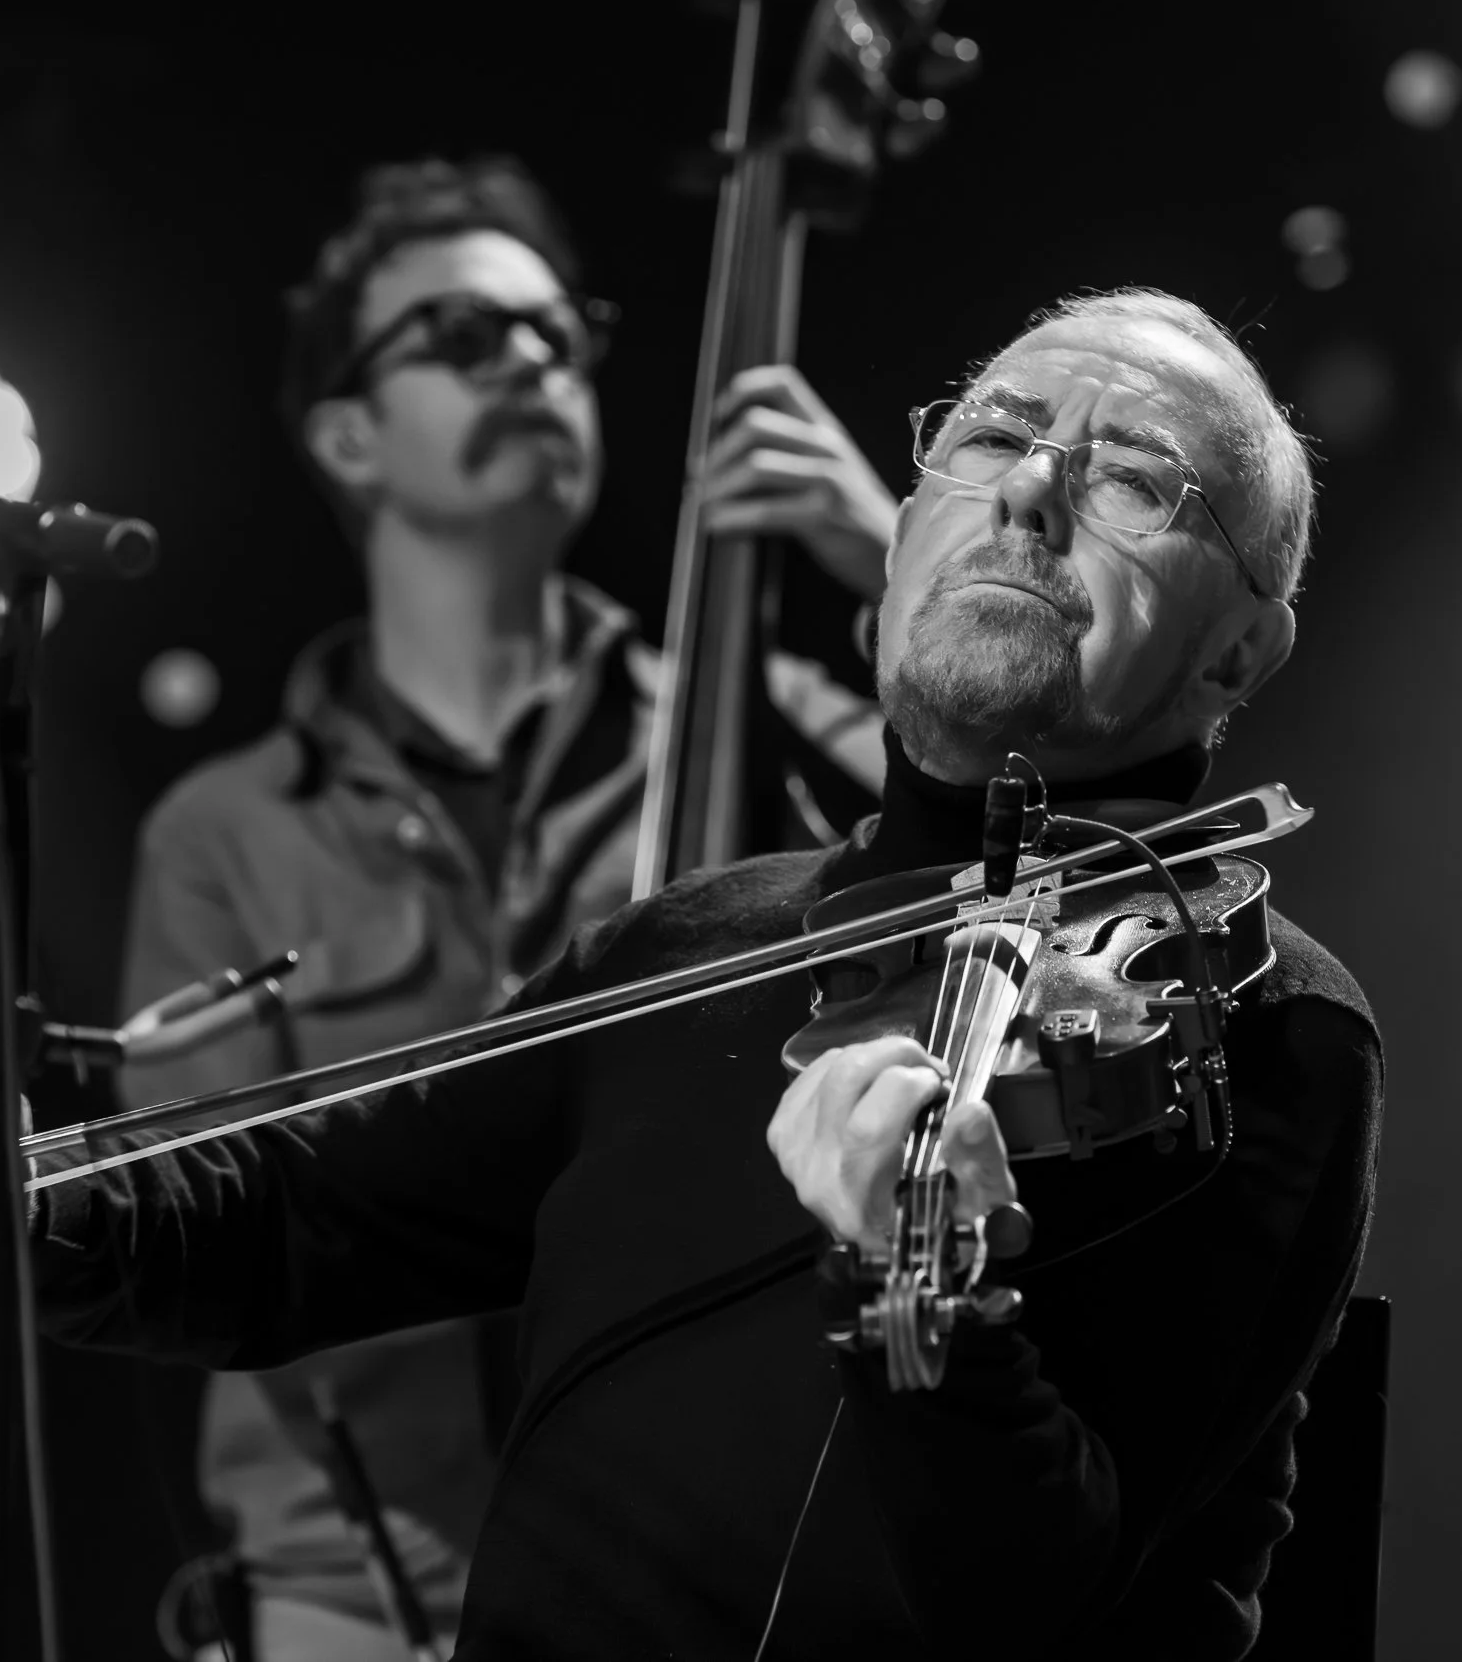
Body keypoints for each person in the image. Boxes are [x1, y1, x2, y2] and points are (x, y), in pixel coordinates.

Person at [0, 285, 1382, 1659]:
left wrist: (925, 1298)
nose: (1034, 490)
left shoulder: (1250, 1024)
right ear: (908, 524)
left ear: (1242, 652)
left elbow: (1036, 1593)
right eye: (994, 436)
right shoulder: (692, 943)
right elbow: (303, 1218)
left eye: (1135, 479)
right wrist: (23, 1192)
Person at [105, 157, 895, 1658]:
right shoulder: (223, 834)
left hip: (710, 1584)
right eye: (464, 337)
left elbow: (1039, 847)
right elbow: (210, 1226)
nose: (531, 361)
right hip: (357, 1603)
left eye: (556, 333)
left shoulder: (773, 726)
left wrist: (890, 564)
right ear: (349, 431)